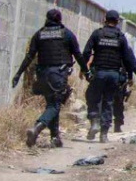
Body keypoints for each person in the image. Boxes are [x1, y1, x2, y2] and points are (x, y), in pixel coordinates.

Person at [11, 8, 89, 148]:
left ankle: (55, 137)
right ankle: (36, 128)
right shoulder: (67, 34)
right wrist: (86, 71)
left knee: (52, 104)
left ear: (47, 19)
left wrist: (18, 73)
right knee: (55, 105)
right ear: (59, 19)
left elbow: (29, 56)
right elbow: (78, 54)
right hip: (58, 74)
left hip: (42, 75)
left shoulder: (39, 34)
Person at [81, 10, 136, 143]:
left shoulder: (97, 34)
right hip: (114, 74)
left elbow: (86, 52)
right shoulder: (120, 37)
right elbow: (128, 58)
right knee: (108, 102)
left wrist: (83, 69)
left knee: (92, 98)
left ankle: (94, 121)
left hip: (99, 73)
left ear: (105, 19)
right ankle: (104, 134)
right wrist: (133, 76)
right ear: (117, 22)